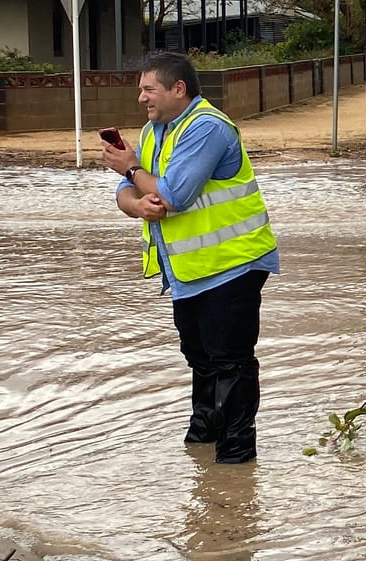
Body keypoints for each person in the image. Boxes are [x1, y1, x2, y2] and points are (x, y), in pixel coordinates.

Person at [101, 52, 280, 466]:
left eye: (149, 89)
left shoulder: (208, 128)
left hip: (234, 264)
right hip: (187, 270)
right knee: (198, 356)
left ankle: (236, 457)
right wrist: (136, 203)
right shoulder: (152, 131)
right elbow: (129, 196)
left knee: (230, 360)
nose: (141, 97)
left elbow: (175, 195)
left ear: (178, 88)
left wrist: (130, 171)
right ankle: (202, 443)